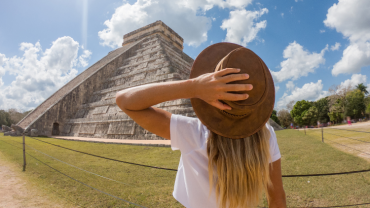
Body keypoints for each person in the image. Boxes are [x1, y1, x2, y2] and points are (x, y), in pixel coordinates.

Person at [116, 43, 286, 208]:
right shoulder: (267, 134)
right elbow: (277, 199)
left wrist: (195, 86)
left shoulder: (193, 132)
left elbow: (125, 100)